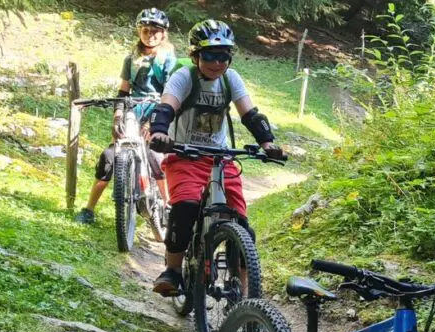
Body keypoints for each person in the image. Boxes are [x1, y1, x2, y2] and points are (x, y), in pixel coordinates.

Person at [147, 19, 285, 296]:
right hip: (185, 156)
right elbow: (166, 108)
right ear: (195, 55)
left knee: (242, 226)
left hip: (220, 158)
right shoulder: (183, 77)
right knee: (185, 207)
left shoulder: (230, 79)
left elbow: (250, 115)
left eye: (224, 56)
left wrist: (268, 143)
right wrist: (160, 133)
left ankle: (248, 300)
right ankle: (173, 271)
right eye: (210, 55)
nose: (218, 63)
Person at [73, 8, 176, 233]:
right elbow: (123, 92)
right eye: (146, 30)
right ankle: (89, 209)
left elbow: (171, 94)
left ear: (163, 34)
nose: (150, 35)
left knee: (155, 158)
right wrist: (117, 116)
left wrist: (153, 123)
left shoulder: (168, 59)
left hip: (159, 115)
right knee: (110, 156)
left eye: (155, 31)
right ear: (139, 31)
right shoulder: (131, 59)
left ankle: (169, 208)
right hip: (133, 113)